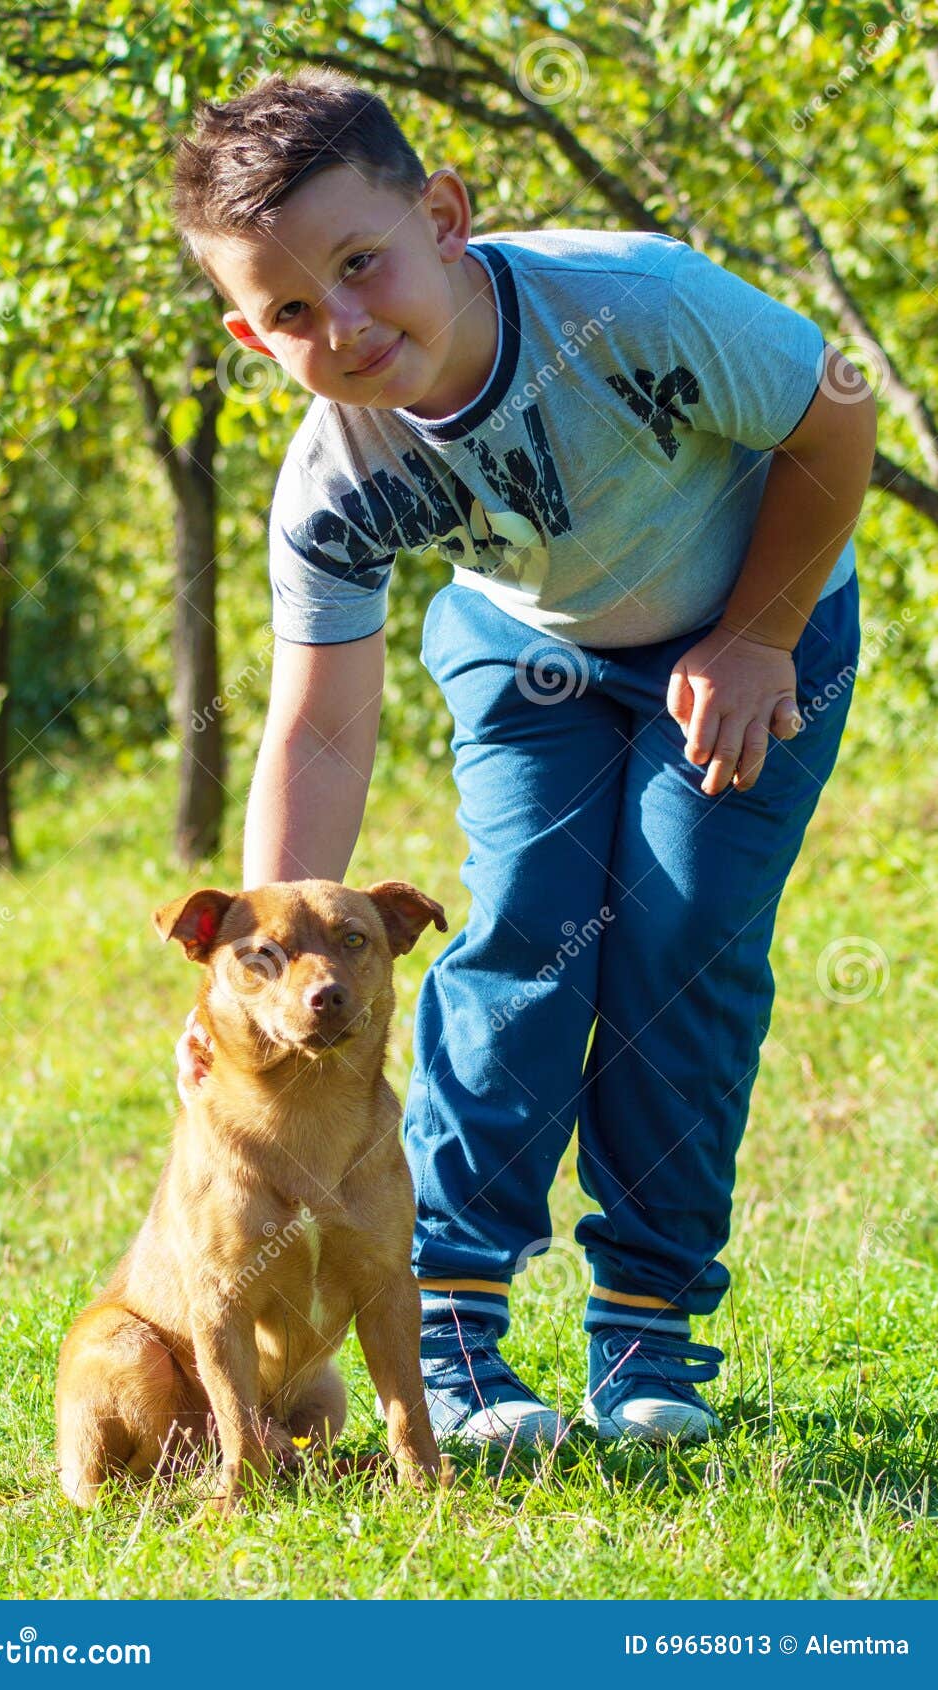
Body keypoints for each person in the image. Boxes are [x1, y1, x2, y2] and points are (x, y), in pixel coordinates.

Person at [167, 66, 876, 1449]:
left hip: (759, 624)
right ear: (257, 339)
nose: (348, 325)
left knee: (679, 942)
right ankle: (457, 1327)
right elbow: (317, 721)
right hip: (531, 653)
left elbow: (837, 413)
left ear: (444, 214)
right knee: (525, 942)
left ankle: (649, 1331)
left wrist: (757, 637)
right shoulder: (333, 483)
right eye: (298, 311)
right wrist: (253, 968)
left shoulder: (634, 302)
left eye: (363, 264)